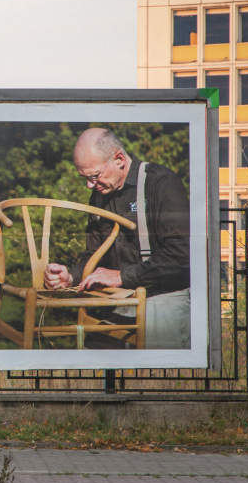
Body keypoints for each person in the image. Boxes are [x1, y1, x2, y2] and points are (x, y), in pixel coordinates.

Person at [43, 127, 191, 349]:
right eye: (85, 178)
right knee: (94, 349)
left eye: (94, 176)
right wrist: (71, 276)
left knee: (154, 362)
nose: (89, 185)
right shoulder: (100, 194)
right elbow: (94, 255)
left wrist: (122, 276)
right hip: (121, 299)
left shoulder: (161, 183)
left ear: (119, 159)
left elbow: (182, 255)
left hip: (164, 295)